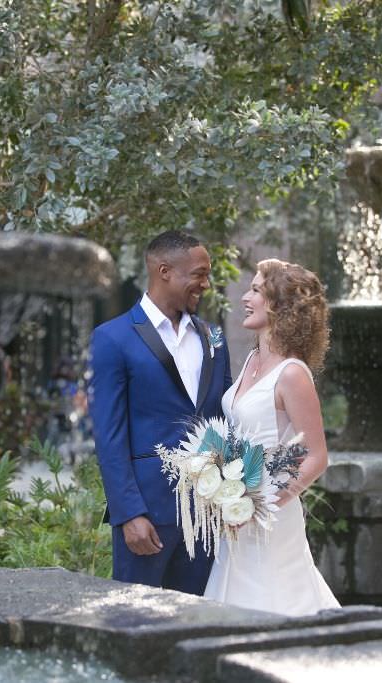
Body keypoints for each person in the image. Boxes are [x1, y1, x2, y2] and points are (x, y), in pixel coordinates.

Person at [89, 231, 232, 594]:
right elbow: (109, 435)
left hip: (208, 513)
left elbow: (224, 418)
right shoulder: (112, 338)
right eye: (199, 274)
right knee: (136, 621)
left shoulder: (214, 337)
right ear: (164, 270)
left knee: (199, 623)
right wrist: (128, 513)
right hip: (148, 518)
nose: (206, 283)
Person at [203, 258, 340, 616]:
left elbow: (316, 456)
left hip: (270, 518)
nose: (245, 298)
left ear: (280, 305)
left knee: (276, 603)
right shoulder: (251, 360)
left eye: (256, 290)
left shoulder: (292, 373)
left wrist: (260, 504)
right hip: (236, 513)